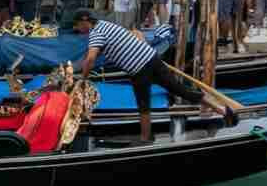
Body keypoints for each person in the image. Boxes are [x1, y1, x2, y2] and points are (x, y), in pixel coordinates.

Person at [72, 9, 235, 143]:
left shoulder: (95, 34)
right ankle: (221, 110)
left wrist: (84, 78)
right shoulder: (105, 24)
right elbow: (133, 33)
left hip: (138, 68)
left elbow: (91, 58)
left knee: (143, 106)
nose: (78, 30)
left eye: (78, 26)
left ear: (85, 21)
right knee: (179, 89)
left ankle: (145, 139)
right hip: (151, 57)